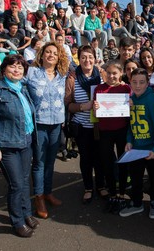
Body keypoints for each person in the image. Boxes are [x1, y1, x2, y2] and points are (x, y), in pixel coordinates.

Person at [0, 54, 39, 238]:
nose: (17, 70)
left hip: (25, 142)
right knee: (16, 185)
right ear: (4, 69)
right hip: (7, 146)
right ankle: (17, 221)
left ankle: (26, 213)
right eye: (13, 67)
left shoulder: (24, 88)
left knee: (23, 181)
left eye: (20, 68)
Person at [27, 42, 69, 219]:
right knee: (39, 162)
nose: (51, 55)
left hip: (56, 124)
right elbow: (11, 80)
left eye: (55, 53)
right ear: (42, 55)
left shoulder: (62, 75)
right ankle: (39, 198)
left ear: (59, 57)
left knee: (51, 161)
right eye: (48, 52)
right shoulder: (32, 73)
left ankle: (48, 192)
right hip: (39, 123)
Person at [119, 68, 154, 219]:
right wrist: (129, 141)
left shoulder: (152, 100)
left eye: (142, 82)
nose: (138, 85)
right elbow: (131, 124)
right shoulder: (131, 99)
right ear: (130, 82)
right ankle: (137, 203)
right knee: (136, 177)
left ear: (147, 84)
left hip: (152, 148)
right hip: (137, 148)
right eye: (134, 82)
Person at [64, 45, 105, 204]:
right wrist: (83, 106)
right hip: (82, 126)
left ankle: (101, 185)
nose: (87, 60)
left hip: (101, 126)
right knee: (86, 159)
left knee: (101, 158)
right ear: (78, 59)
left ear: (95, 58)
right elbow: (67, 104)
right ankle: (88, 187)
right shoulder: (72, 78)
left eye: (90, 57)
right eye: (83, 57)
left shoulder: (101, 74)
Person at [93, 61, 131, 214]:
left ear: (121, 73)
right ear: (104, 73)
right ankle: (112, 194)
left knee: (123, 162)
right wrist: (95, 109)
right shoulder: (99, 89)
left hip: (121, 130)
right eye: (108, 73)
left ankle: (122, 193)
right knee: (108, 163)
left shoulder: (125, 88)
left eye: (114, 73)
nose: (111, 76)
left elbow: (130, 110)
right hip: (105, 131)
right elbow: (96, 115)